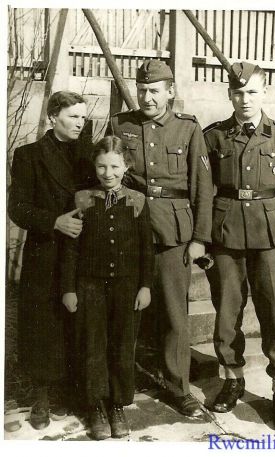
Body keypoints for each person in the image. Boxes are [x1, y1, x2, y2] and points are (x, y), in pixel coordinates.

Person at [106, 60, 213, 417]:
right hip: (128, 231)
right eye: (142, 89)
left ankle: (178, 388)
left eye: (154, 90)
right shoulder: (122, 125)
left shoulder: (187, 129)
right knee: (123, 311)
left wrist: (199, 238)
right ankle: (116, 387)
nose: (147, 96)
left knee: (173, 315)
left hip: (173, 234)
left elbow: (202, 188)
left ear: (170, 92)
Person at [203, 61, 275, 431]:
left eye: (253, 92)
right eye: (239, 93)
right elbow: (203, 191)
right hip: (225, 234)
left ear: (265, 93)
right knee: (227, 311)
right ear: (229, 94)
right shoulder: (213, 137)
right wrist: (205, 239)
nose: (245, 100)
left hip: (269, 237)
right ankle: (232, 380)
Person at [8, 91, 92, 430]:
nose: (80, 123)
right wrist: (54, 221)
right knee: (43, 324)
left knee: (76, 321)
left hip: (82, 252)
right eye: (73, 116)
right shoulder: (28, 155)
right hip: (46, 252)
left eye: (83, 118)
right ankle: (41, 396)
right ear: (53, 116)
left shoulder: (88, 157)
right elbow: (18, 208)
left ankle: (69, 392)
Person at [60, 136, 154, 439]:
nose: (108, 173)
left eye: (114, 166)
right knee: (93, 346)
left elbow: (146, 249)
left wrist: (145, 286)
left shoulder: (138, 200)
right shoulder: (83, 198)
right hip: (89, 287)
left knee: (123, 345)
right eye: (102, 166)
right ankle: (96, 406)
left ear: (125, 166)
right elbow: (71, 249)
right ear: (94, 166)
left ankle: (117, 404)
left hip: (127, 288)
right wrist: (69, 289)